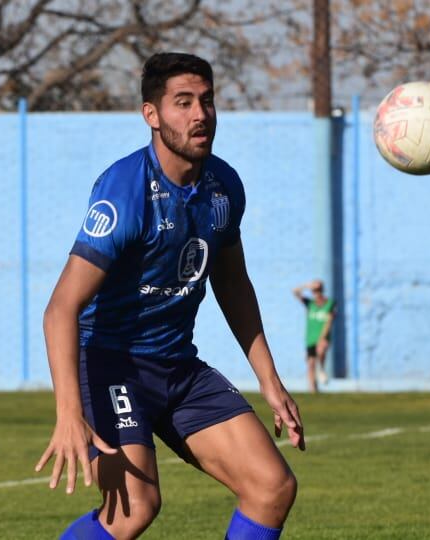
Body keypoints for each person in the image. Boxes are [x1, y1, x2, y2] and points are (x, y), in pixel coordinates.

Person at [35, 53, 304, 540]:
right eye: (183, 103)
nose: (200, 114)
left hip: (177, 366)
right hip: (110, 363)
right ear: (151, 115)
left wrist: (270, 379)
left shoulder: (224, 187)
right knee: (134, 506)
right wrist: (68, 416)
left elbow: (233, 284)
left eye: (207, 101)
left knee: (272, 486)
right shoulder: (125, 191)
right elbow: (61, 309)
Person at [293, 280, 336, 393]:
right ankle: (313, 391)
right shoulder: (310, 304)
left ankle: (321, 369)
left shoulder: (329, 303)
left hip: (322, 337)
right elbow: (295, 291)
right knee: (311, 364)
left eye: (318, 290)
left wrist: (322, 337)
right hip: (310, 338)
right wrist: (307, 285)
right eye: (314, 291)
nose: (316, 293)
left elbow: (329, 321)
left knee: (321, 350)